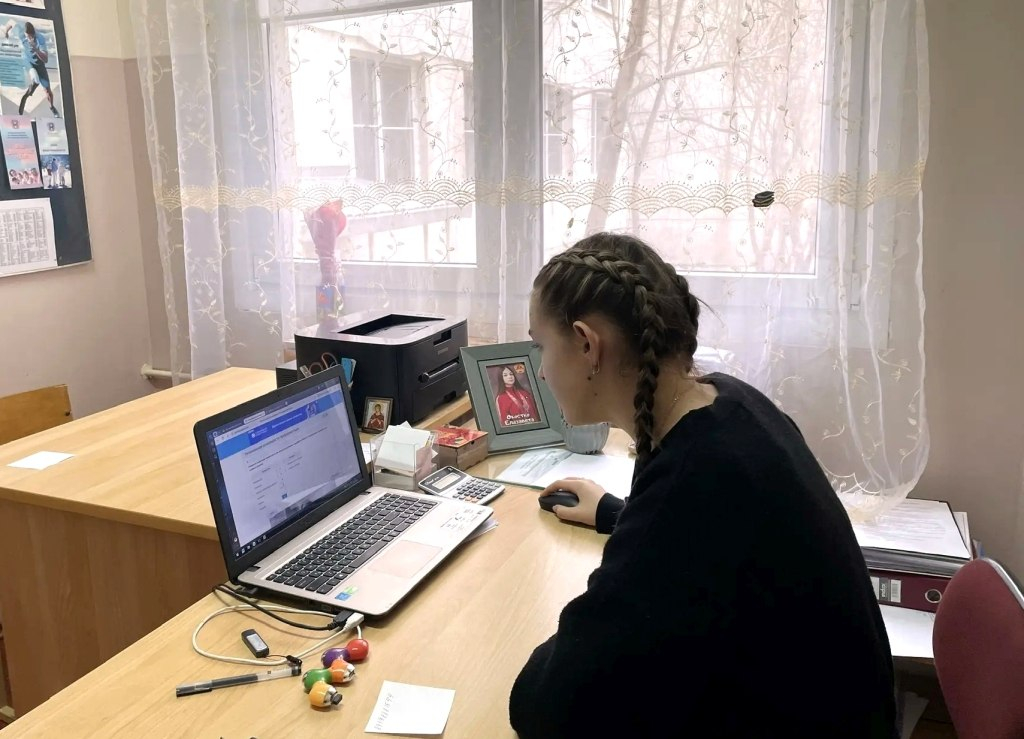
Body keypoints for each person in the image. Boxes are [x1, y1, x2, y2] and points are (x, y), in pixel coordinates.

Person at [509, 233, 897, 738]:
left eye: (541, 346)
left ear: (587, 344)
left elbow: (550, 706)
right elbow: (708, 545)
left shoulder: (698, 482)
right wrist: (618, 514)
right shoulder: (729, 403)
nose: (540, 371)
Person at [2, 20, 60, 117]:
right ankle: (26, 96)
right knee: (36, 80)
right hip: (28, 61)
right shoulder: (21, 32)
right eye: (27, 36)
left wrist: (36, 49)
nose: (29, 39)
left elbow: (45, 59)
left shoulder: (40, 38)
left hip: (39, 64)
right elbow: (11, 22)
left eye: (30, 37)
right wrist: (6, 32)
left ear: (34, 34)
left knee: (48, 90)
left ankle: (52, 107)